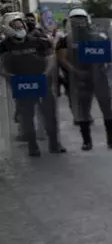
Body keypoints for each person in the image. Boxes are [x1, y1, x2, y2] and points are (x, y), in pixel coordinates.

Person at [0, 12, 65, 156]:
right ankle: (32, 146)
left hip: (42, 82)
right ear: (7, 28)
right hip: (22, 84)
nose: (20, 27)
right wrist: (7, 75)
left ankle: (54, 143)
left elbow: (50, 57)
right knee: (27, 116)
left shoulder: (38, 41)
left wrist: (46, 73)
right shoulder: (4, 46)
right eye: (15, 25)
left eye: (21, 24)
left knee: (49, 114)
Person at [56, 8, 112, 151]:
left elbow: (109, 56)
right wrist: (76, 72)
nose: (79, 23)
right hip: (80, 79)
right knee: (83, 110)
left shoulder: (98, 37)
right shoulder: (65, 40)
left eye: (81, 19)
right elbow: (62, 58)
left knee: (107, 108)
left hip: (99, 77)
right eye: (75, 20)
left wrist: (106, 69)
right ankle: (86, 141)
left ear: (87, 20)